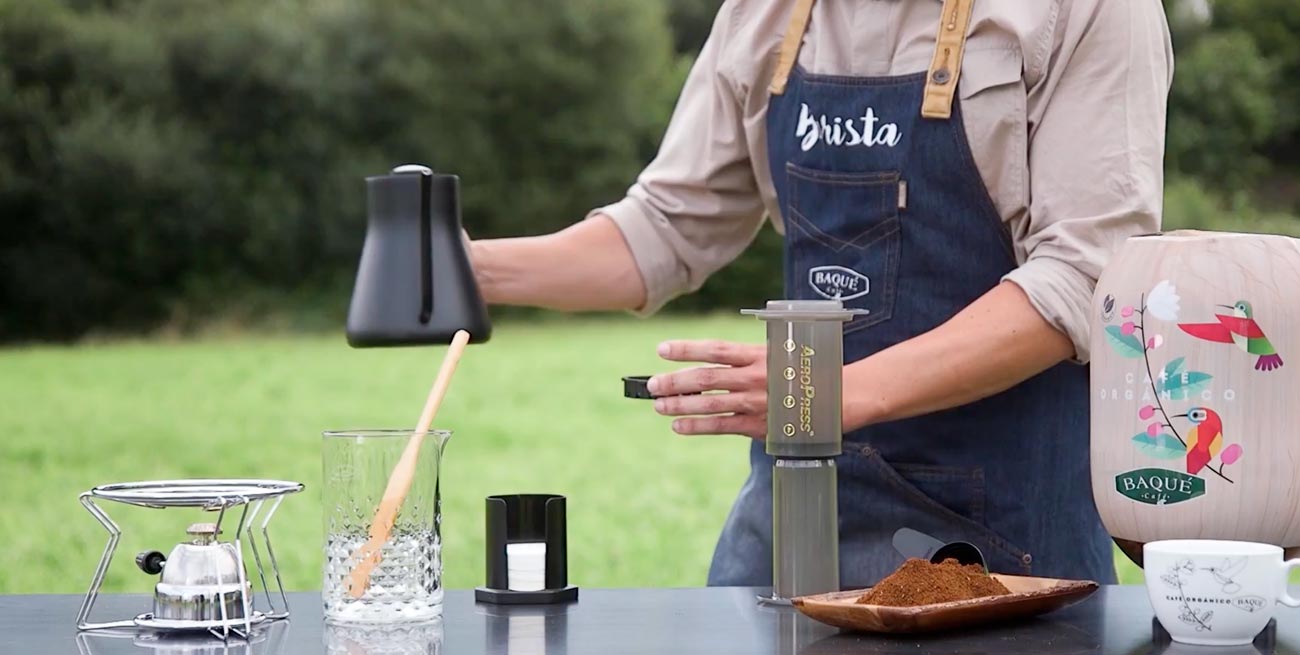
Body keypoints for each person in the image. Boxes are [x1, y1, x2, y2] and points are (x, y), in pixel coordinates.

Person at [467, 0, 1172, 586]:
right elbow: (665, 226)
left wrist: (831, 394)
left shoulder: (1085, 9)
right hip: (786, 527)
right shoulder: (764, 13)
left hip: (998, 544)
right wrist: (464, 270)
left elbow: (1083, 277)